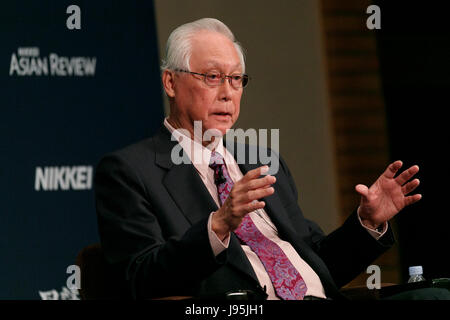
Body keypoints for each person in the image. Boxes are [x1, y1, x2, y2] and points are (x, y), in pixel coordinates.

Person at [94, 18, 424, 300]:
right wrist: (218, 226)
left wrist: (366, 224)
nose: (227, 92)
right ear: (170, 82)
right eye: (212, 76)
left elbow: (317, 264)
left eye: (236, 79)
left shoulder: (261, 161)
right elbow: (139, 278)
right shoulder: (129, 171)